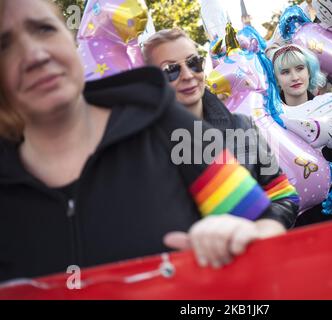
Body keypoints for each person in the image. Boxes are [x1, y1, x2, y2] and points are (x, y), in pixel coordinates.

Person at [0, 0, 294, 281]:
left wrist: (239, 238)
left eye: (44, 29)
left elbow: (266, 222)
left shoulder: (171, 127)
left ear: (70, 37)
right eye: (4, 45)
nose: (35, 55)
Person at [141, 28, 299, 234]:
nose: (188, 75)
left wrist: (264, 228)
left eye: (193, 63)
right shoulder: (146, 146)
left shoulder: (242, 126)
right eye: (171, 70)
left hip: (251, 255)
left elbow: (283, 195)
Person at [269, 44, 332, 226]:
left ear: (309, 71)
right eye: (285, 72)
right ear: (276, 78)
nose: (295, 77)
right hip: (300, 220)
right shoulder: (271, 123)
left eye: (300, 68)